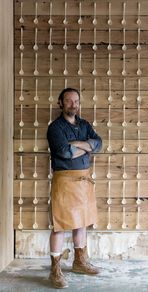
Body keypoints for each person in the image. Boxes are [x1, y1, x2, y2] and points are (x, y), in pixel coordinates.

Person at [47, 87, 102, 289]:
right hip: (64, 181)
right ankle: (55, 269)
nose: (73, 105)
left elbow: (98, 144)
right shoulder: (55, 128)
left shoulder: (84, 124)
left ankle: (80, 262)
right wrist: (86, 147)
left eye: (76, 101)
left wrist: (77, 145)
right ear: (60, 103)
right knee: (59, 226)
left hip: (84, 181)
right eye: (69, 101)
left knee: (82, 223)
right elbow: (64, 153)